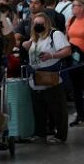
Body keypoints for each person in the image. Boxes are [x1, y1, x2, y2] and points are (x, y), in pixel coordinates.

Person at [23, 13, 71, 143]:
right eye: (36, 23)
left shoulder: (55, 34)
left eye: (41, 24)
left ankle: (60, 135)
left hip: (51, 77)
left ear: (47, 24)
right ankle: (40, 133)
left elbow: (67, 50)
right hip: (35, 77)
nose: (38, 26)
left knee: (57, 107)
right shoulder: (35, 37)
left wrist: (52, 55)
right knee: (38, 108)